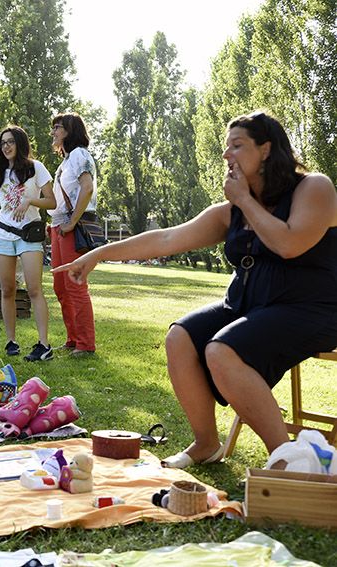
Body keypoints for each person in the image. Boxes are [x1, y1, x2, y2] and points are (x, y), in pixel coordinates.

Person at [54, 111, 337, 466]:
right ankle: (206, 443)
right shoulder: (231, 211)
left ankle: (286, 458)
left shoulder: (313, 188)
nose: (226, 154)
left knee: (221, 350)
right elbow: (167, 239)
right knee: (180, 337)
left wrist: (245, 200)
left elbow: (289, 244)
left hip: (311, 309)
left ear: (265, 150)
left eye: (237, 145)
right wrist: (98, 253)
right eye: (226, 146)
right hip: (250, 306)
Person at [0, 125, 57, 361]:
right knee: (7, 290)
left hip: (28, 236)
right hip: (3, 237)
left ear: (20, 143)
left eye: (11, 142)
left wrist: (29, 201)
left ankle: (44, 345)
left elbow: (52, 201)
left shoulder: (36, 168)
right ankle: (11, 341)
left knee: (34, 289)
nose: (6, 146)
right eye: (3, 143)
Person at [48, 112, 99, 357]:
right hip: (59, 226)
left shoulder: (79, 154)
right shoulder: (66, 161)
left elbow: (87, 189)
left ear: (70, 130)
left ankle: (85, 344)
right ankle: (73, 339)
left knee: (74, 284)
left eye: (57, 127)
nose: (53, 132)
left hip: (72, 227)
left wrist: (71, 222)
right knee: (60, 286)